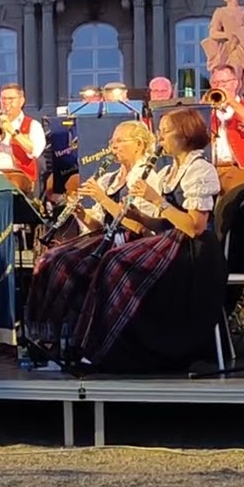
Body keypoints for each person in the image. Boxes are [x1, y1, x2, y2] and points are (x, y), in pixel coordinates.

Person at [74, 107, 225, 373]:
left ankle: (120, 345)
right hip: (172, 241)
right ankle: (99, 343)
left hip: (195, 254)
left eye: (165, 132)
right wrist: (140, 217)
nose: (160, 137)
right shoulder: (171, 171)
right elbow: (162, 224)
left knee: (116, 261)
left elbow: (195, 227)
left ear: (185, 135)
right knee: (109, 259)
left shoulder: (200, 170)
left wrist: (157, 200)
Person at [24, 119, 156, 354]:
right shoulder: (111, 178)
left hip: (131, 242)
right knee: (48, 259)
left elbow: (136, 225)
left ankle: (67, 339)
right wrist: (80, 212)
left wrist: (102, 198)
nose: (113, 147)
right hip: (104, 237)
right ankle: (43, 336)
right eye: (111, 142)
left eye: (119, 142)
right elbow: (97, 223)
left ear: (138, 145)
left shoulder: (146, 177)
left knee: (65, 264)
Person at [207, 65, 244, 192]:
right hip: (212, 169)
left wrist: (230, 100)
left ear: (235, 83)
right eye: (215, 82)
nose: (219, 86)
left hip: (239, 169)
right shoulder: (209, 109)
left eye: (223, 82)